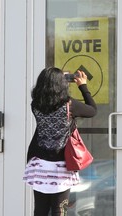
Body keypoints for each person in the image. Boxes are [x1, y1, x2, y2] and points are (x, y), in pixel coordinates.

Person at [23, 67, 97, 216]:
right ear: (61, 84)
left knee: (40, 210)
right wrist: (83, 86)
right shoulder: (70, 105)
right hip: (61, 166)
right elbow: (92, 110)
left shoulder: (36, 104)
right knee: (59, 209)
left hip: (39, 165)